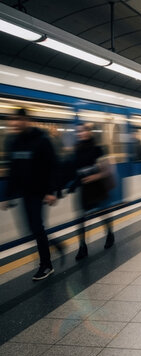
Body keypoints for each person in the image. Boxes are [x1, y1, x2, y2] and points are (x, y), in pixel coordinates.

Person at [1, 108, 59, 281]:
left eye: (18, 119)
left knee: (36, 227)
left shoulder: (42, 141)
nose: (14, 123)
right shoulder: (15, 142)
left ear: (27, 120)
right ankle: (55, 245)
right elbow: (14, 169)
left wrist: (50, 191)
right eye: (12, 120)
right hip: (25, 193)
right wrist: (8, 195)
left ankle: (46, 265)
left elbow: (53, 166)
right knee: (31, 229)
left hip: (39, 193)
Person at [69, 124, 114, 260]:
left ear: (89, 132)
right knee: (81, 219)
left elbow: (107, 170)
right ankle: (82, 247)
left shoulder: (98, 150)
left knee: (102, 213)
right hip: (84, 189)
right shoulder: (77, 150)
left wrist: (95, 176)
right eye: (78, 132)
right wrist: (72, 185)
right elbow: (75, 170)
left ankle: (110, 234)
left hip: (97, 187)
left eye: (82, 131)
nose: (80, 134)